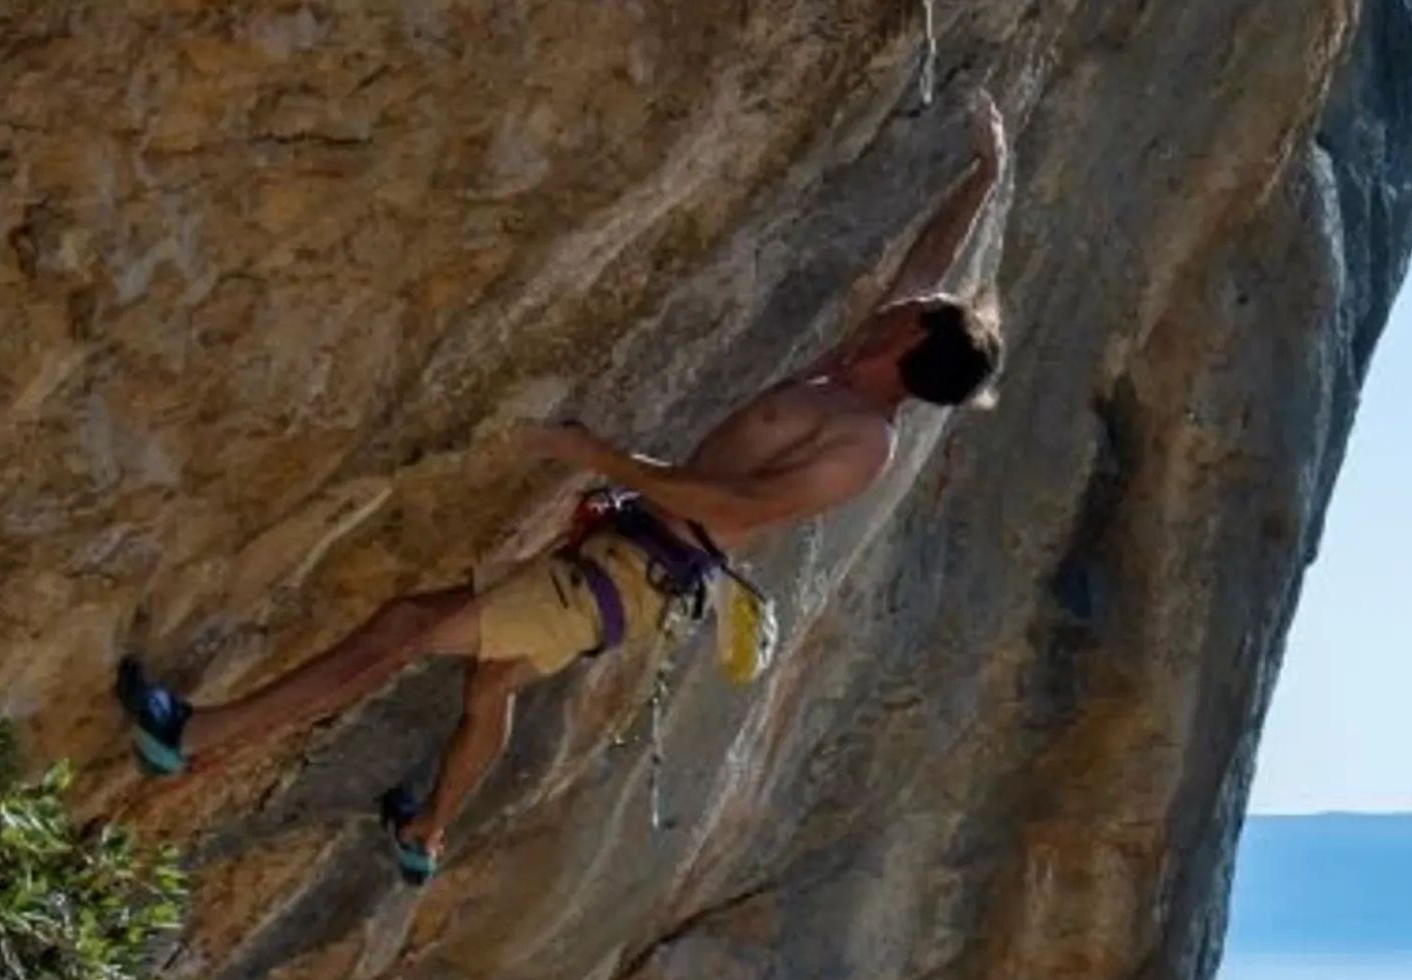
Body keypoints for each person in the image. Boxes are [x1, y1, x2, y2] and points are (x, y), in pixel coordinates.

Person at [114, 91, 1011, 881]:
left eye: (913, 311)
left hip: (626, 577)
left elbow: (732, 507)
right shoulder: (855, 369)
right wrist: (985, 172)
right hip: (621, 560)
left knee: (403, 628)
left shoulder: (861, 442)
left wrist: (594, 455)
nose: (901, 297)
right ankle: (425, 831)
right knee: (490, 684)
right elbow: (924, 268)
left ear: (911, 346)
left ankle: (193, 736)